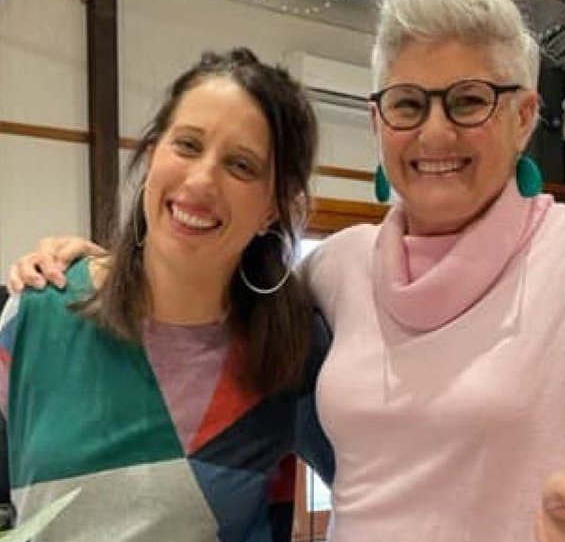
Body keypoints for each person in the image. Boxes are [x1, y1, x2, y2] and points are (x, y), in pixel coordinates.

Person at [8, 0, 565, 541]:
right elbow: (203, 281)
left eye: (469, 101)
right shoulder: (337, 270)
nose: (435, 132)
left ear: (525, 116)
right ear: (378, 121)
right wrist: (93, 265)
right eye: (407, 104)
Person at [0, 47, 333, 541]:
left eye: (241, 165)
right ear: (153, 154)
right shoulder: (38, 312)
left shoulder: (292, 349)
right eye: (188, 145)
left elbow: (385, 489)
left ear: (275, 207)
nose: (201, 180)